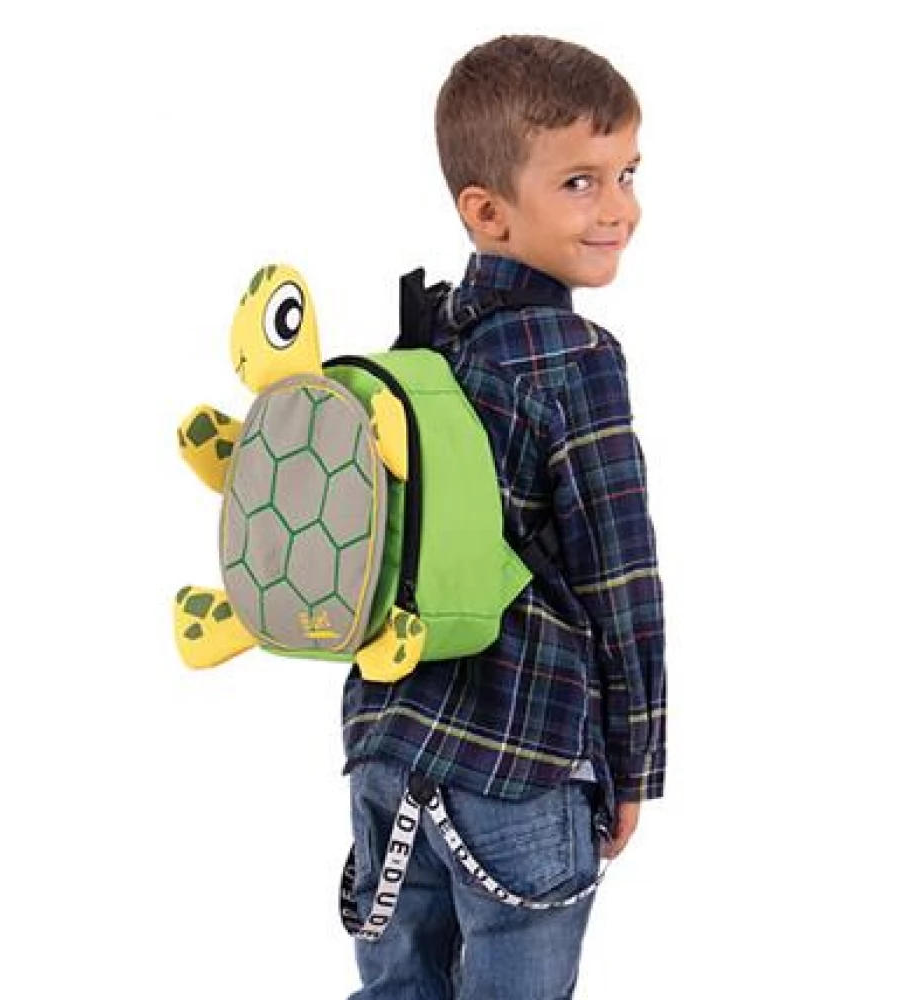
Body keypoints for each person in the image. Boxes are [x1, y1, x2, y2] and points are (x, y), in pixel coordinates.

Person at [342, 34, 666, 999]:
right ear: (487, 211)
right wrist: (636, 762)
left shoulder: (417, 347)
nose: (618, 208)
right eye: (579, 182)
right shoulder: (576, 361)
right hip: (524, 757)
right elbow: (621, 579)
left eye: (627, 174)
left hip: (388, 743)